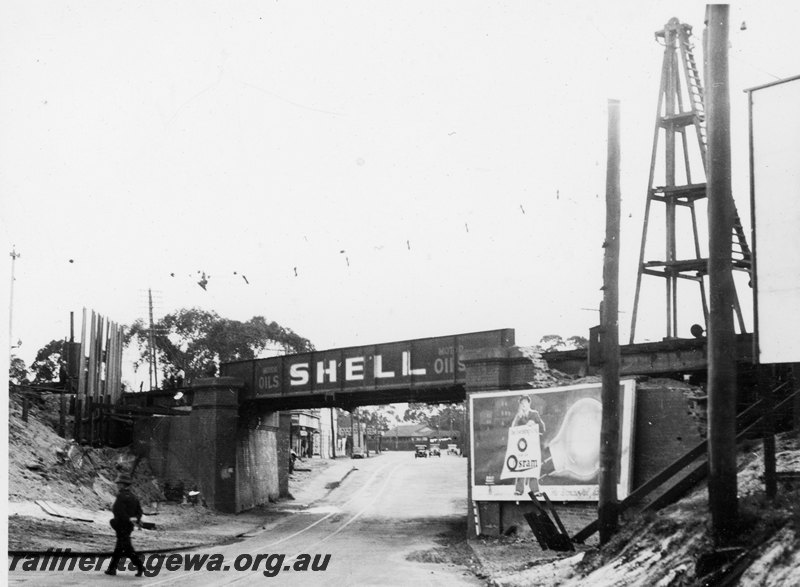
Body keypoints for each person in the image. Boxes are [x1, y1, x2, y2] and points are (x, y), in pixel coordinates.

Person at [104, 473, 145, 577]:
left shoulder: (121, 496)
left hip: (121, 525)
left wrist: (126, 519)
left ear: (123, 485)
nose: (118, 485)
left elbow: (118, 511)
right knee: (120, 547)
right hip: (129, 526)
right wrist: (134, 520)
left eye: (119, 484)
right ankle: (112, 569)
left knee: (127, 548)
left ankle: (140, 566)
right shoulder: (134, 497)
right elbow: (139, 512)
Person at [511, 395, 546, 496]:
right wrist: (518, 418)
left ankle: (535, 490)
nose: (523, 405)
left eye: (525, 403)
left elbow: (542, 427)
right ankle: (519, 490)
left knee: (532, 466)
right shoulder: (519, 416)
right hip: (521, 447)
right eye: (522, 403)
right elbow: (513, 429)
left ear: (529, 403)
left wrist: (534, 424)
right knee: (521, 466)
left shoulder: (534, 414)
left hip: (532, 446)